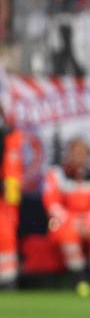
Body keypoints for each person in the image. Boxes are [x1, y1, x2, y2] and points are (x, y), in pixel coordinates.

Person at [43, 138, 90, 297]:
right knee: (68, 236)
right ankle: (79, 280)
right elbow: (51, 203)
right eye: (75, 152)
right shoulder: (57, 174)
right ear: (68, 154)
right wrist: (74, 222)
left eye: (82, 153)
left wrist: (88, 222)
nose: (79, 156)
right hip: (65, 222)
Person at [0, 105, 22, 289]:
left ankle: (7, 281)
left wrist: (11, 196)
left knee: (6, 236)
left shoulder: (10, 136)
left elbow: (13, 171)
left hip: (5, 196)